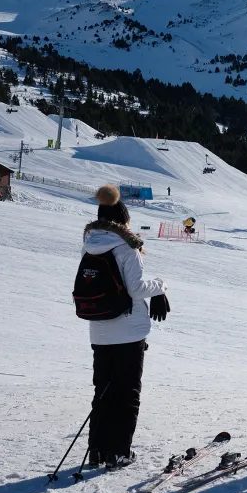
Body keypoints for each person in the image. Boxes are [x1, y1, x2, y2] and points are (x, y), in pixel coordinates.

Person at [81, 184, 168, 470]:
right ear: (123, 219)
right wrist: (161, 286)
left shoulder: (90, 243)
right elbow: (136, 287)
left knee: (103, 390)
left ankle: (97, 451)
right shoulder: (127, 246)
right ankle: (119, 452)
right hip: (129, 331)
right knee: (127, 392)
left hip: (100, 328)